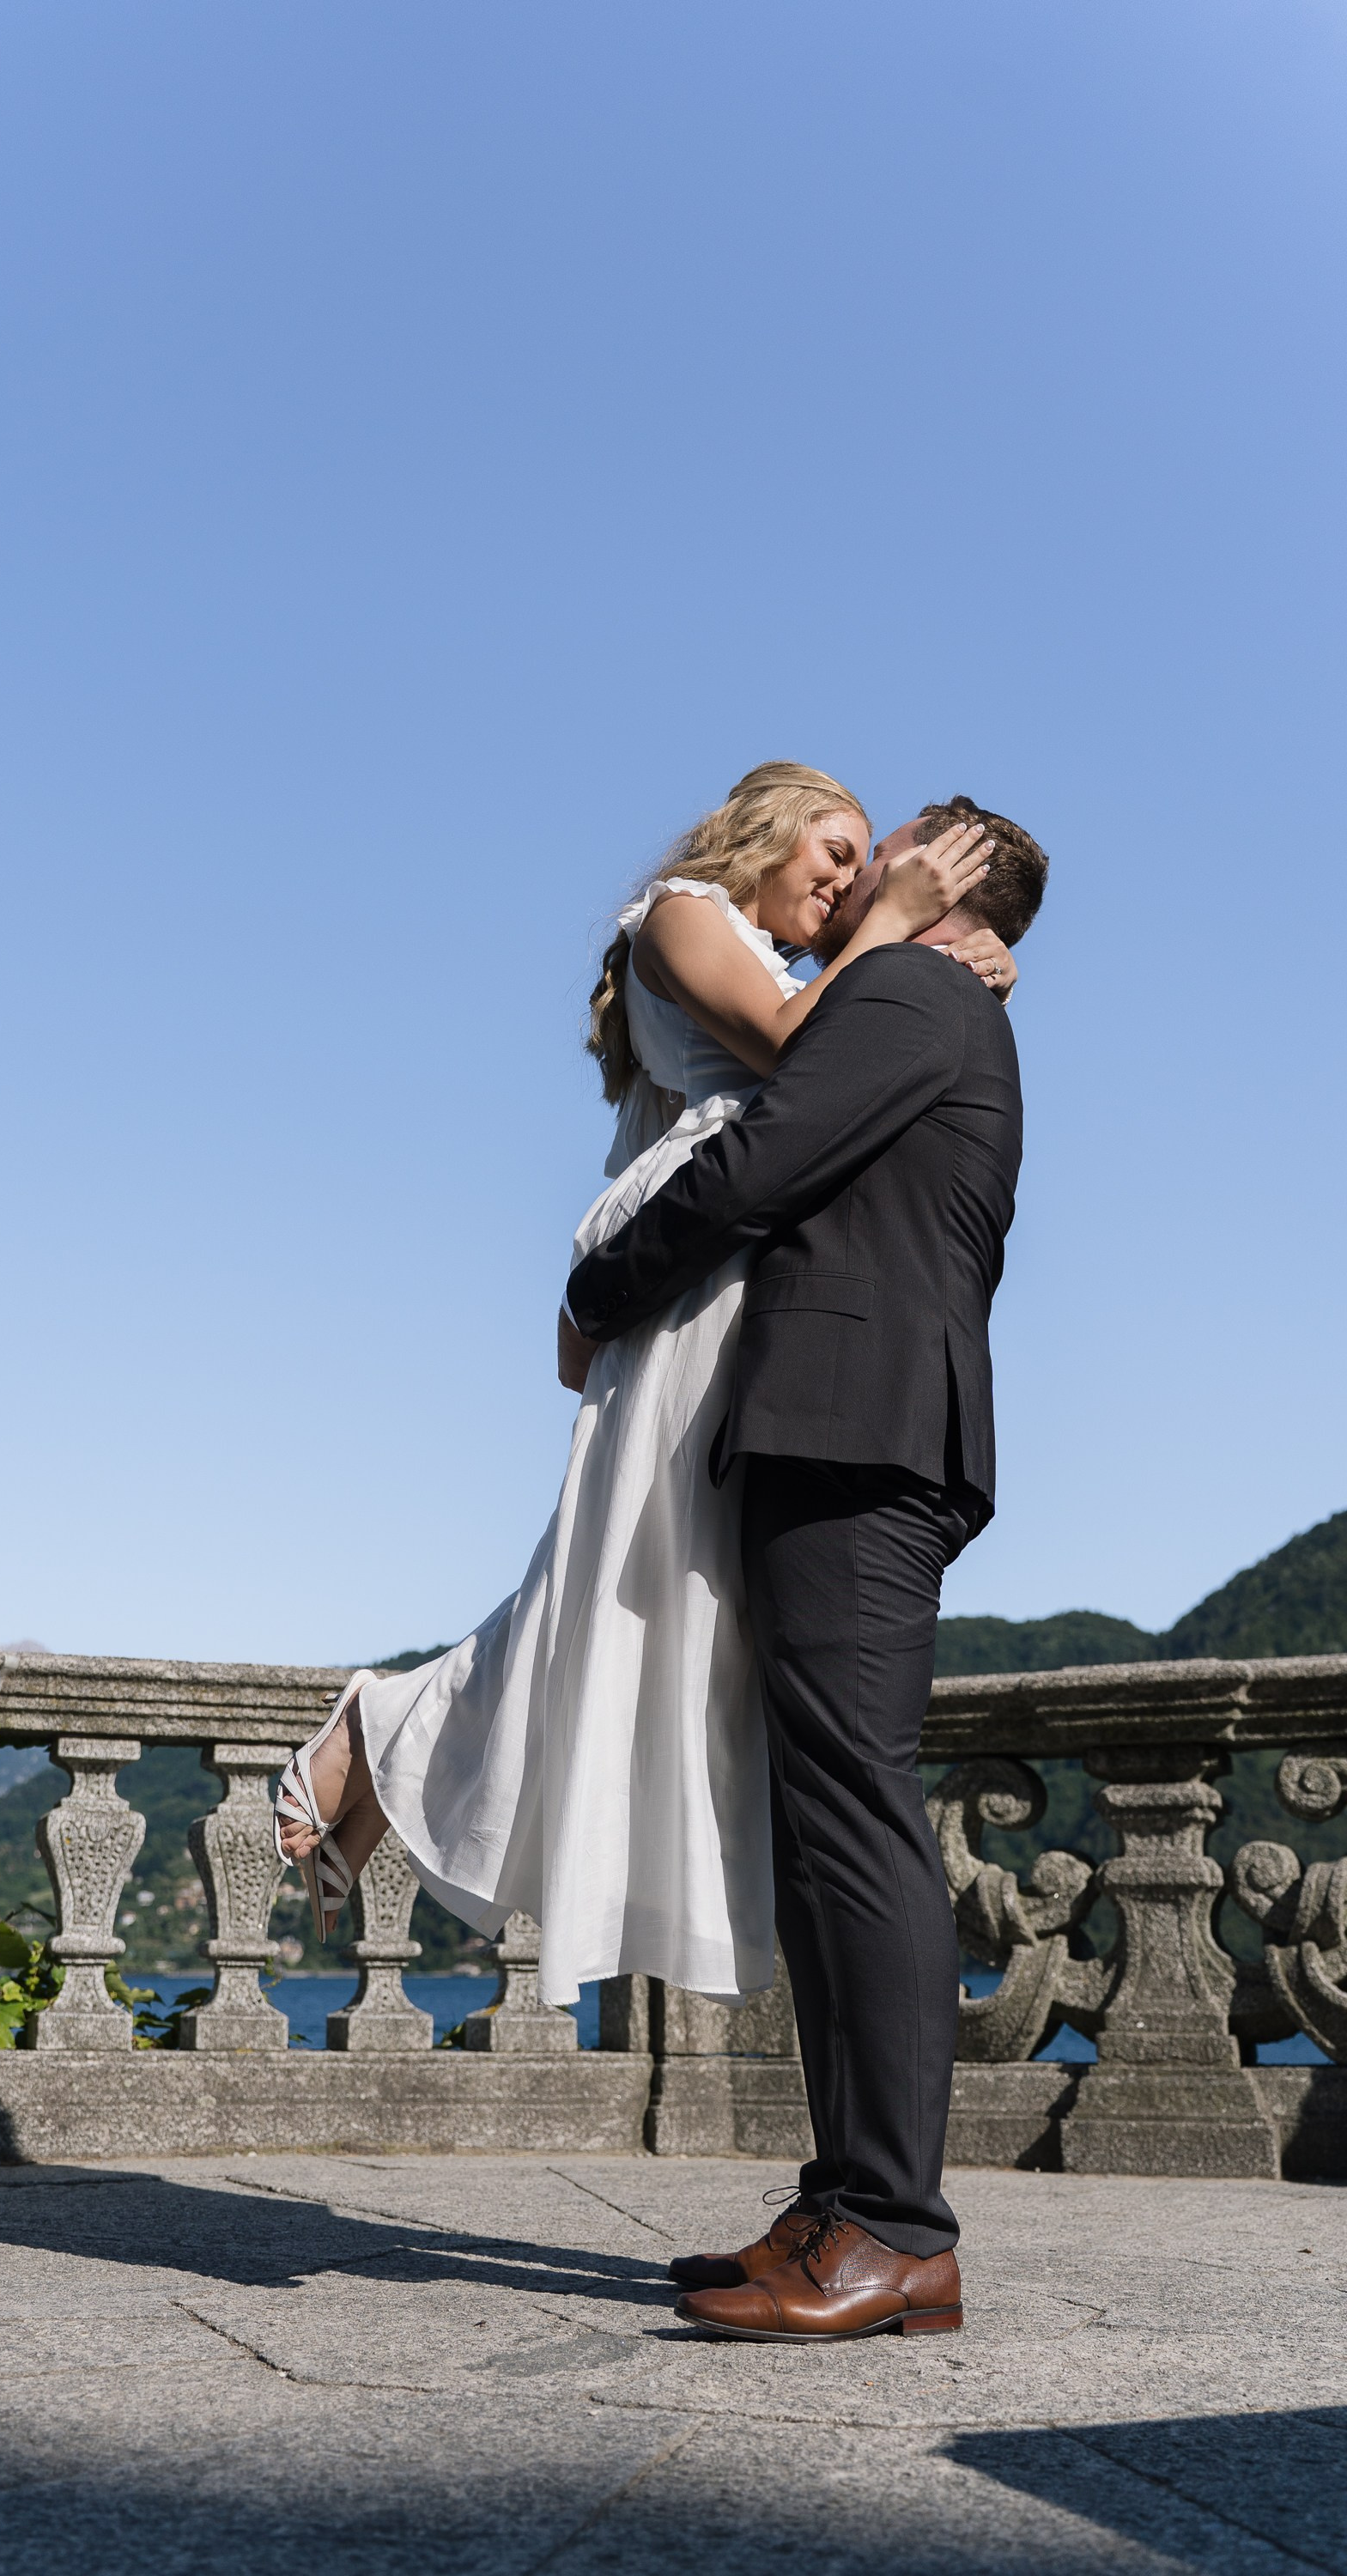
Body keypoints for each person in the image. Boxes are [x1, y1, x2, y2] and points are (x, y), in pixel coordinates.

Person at [275, 763, 1011, 2015]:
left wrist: (937, 956)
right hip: (696, 1237)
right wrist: (893, 938)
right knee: (620, 1560)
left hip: (738, 1256)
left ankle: (389, 1750)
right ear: (758, 835)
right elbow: (796, 1052)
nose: (843, 881)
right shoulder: (680, 908)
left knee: (645, 1576)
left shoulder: (803, 957)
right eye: (829, 852)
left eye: (858, 864)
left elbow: (845, 1046)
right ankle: (379, 1731)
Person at [561, 793, 1049, 2343]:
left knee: (857, 1814)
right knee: (831, 1816)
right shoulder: (917, 988)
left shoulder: (907, 991)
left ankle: (898, 2229)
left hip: (857, 1429)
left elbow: (764, 1162)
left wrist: (598, 1279)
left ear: (946, 865)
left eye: (893, 838)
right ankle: (847, 2200)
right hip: (853, 1429)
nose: (857, 868)